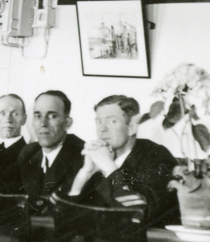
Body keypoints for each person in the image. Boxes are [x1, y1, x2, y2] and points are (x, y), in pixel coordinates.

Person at [64, 94, 179, 224]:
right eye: (99, 122)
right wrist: (85, 173)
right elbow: (64, 215)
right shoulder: (97, 156)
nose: (102, 129)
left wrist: (109, 168)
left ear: (132, 127)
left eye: (112, 121)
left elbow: (140, 214)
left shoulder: (156, 156)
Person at [10, 91, 85, 212]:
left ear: (67, 123)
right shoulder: (29, 152)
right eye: (37, 116)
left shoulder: (82, 156)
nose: (42, 123)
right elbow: (4, 188)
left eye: (52, 116)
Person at [0, 94, 28, 193]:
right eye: (2, 113)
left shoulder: (30, 154)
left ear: (24, 119)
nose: (8, 120)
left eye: (15, 114)